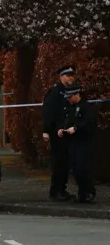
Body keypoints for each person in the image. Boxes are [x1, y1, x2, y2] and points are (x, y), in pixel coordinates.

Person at [57, 83, 97, 203]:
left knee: (82, 167)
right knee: (74, 168)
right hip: (72, 142)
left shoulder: (86, 107)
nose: (68, 99)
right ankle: (82, 193)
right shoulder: (69, 107)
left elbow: (89, 123)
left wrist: (76, 128)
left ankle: (89, 191)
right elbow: (65, 121)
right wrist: (61, 129)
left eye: (70, 97)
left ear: (77, 94)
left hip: (83, 142)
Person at [42, 65, 76, 201]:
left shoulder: (69, 92)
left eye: (72, 75)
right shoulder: (55, 92)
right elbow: (48, 112)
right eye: (68, 75)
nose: (71, 78)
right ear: (61, 76)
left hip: (67, 132)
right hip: (57, 133)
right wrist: (46, 131)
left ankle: (62, 189)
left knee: (65, 162)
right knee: (59, 162)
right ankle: (55, 191)